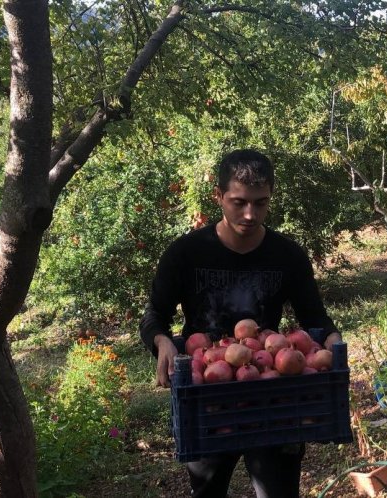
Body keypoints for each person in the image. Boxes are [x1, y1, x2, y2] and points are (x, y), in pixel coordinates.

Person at [139, 149, 341, 498]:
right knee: (208, 492)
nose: (250, 214)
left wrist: (333, 342)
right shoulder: (186, 253)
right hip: (207, 397)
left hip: (270, 392)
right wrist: (162, 341)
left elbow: (314, 316)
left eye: (261, 203)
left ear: (271, 196)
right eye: (239, 202)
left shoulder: (288, 255)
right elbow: (154, 315)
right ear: (218, 196)